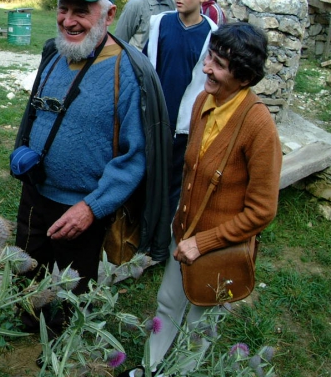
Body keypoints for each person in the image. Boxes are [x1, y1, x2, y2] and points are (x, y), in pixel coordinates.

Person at [13, 0, 171, 333]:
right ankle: (24, 321)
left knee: (74, 287)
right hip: (36, 194)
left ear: (109, 14)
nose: (68, 20)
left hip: (83, 208)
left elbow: (136, 156)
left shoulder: (127, 72)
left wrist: (92, 208)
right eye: (63, 9)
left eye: (81, 12)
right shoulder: (54, 54)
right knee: (25, 269)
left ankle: (63, 344)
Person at [119, 23, 281, 377]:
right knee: (167, 306)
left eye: (219, 64)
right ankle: (149, 369)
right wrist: (181, 229)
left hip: (220, 249)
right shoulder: (203, 102)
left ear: (244, 76)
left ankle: (178, 373)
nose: (206, 67)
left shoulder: (259, 127)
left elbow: (263, 211)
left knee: (199, 324)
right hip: (186, 233)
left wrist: (204, 242)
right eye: (210, 56)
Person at [145, 0, 218, 220]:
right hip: (153, 119)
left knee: (173, 183)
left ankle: (163, 239)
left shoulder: (212, 34)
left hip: (184, 126)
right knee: (145, 177)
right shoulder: (159, 23)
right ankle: (138, 235)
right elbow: (145, 66)